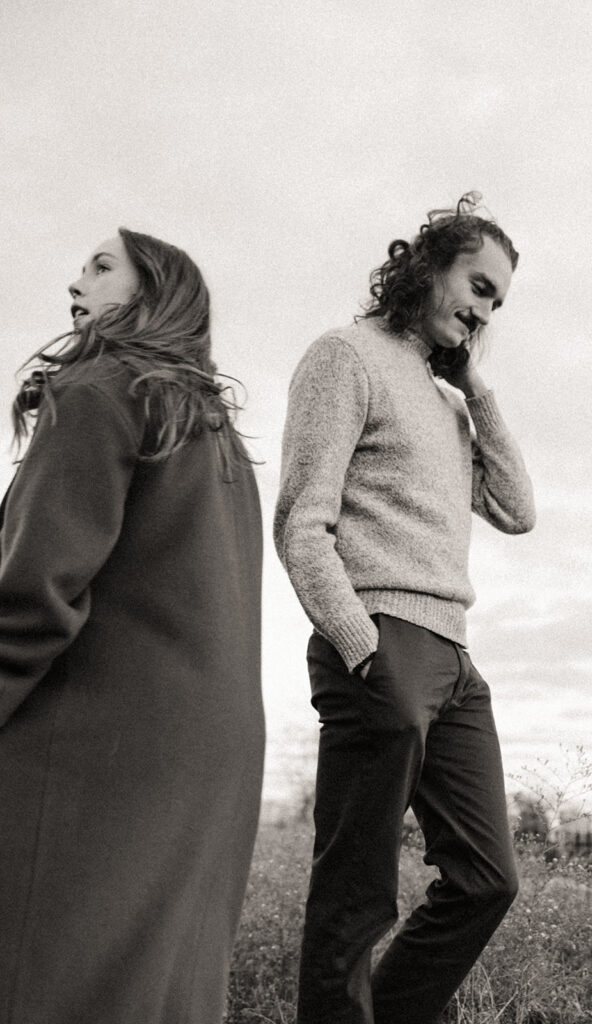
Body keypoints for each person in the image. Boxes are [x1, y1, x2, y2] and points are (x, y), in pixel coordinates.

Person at [274, 192, 536, 1024]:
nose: (484, 308)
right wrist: (357, 643)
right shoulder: (345, 357)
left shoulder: (451, 404)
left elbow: (517, 509)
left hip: (454, 660)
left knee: (486, 878)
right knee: (356, 892)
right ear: (426, 268)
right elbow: (300, 521)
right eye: (478, 284)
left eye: (497, 300)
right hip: (381, 641)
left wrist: (478, 392)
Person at [0, 230, 265, 1024]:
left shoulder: (100, 389)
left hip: (104, 740)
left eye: (101, 265)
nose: (75, 278)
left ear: (153, 292)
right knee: (157, 991)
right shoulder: (214, 432)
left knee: (44, 977)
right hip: (210, 751)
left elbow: (34, 594)